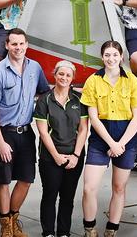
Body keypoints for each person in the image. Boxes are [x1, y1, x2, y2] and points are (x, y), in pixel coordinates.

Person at [0, 28, 49, 237]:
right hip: (4, 132)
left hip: (26, 132)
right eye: (13, 44)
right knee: (3, 180)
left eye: (21, 44)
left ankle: (13, 218)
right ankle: (6, 226)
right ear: (6, 45)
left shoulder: (35, 68)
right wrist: (0, 142)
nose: (18, 48)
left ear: (26, 45)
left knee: (26, 178)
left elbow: (43, 92)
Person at [81, 40, 137, 237]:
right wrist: (111, 143)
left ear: (121, 57)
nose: (111, 59)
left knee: (119, 188)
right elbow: (93, 117)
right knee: (88, 188)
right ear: (102, 57)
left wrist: (121, 144)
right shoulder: (93, 81)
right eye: (107, 55)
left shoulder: (131, 81)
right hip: (101, 138)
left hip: (125, 138)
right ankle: (90, 229)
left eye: (115, 55)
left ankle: (112, 229)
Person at [34, 60, 89, 237]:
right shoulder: (45, 100)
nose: (64, 77)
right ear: (55, 75)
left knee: (68, 197)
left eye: (68, 75)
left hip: (75, 156)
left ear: (72, 78)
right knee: (50, 195)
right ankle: (48, 232)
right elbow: (43, 133)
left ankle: (64, 233)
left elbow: (83, 129)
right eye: (61, 74)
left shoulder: (79, 99)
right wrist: (56, 156)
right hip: (50, 157)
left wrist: (75, 155)